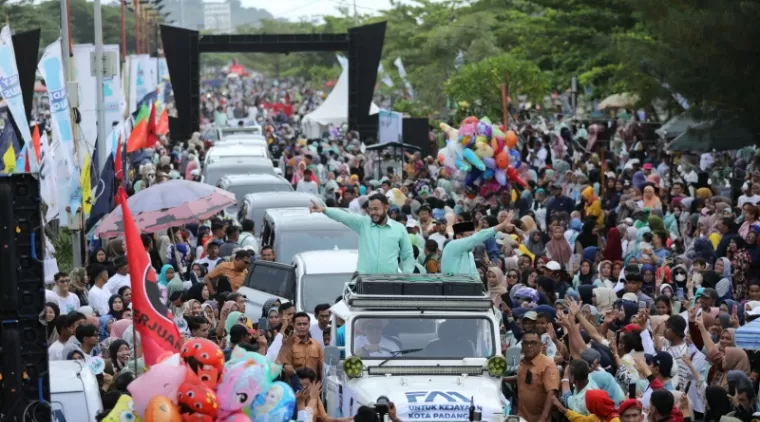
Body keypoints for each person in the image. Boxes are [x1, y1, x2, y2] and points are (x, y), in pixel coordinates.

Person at [310, 195, 414, 273]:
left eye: (376, 209)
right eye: (370, 209)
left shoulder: (399, 229)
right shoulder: (363, 224)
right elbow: (343, 216)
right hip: (365, 283)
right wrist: (324, 210)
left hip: (390, 283)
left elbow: (408, 255)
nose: (372, 212)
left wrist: (406, 276)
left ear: (386, 208)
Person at [506, 330, 559, 422]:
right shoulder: (522, 362)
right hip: (521, 417)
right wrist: (503, 379)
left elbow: (551, 394)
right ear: (522, 346)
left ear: (540, 345)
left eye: (533, 343)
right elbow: (521, 379)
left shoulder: (548, 365)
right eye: (526, 343)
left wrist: (543, 418)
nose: (529, 346)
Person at [441, 215, 513, 275]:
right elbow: (476, 238)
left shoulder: (469, 253)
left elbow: (474, 275)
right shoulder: (452, 246)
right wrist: (502, 225)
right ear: (458, 236)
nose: (473, 238)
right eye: (470, 235)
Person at [277, 312, 323, 380]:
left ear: (309, 325)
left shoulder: (317, 345)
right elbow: (287, 370)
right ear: (294, 325)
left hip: (313, 388)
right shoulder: (289, 345)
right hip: (295, 387)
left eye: (305, 324)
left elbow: (321, 369)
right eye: (299, 324)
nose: (302, 326)